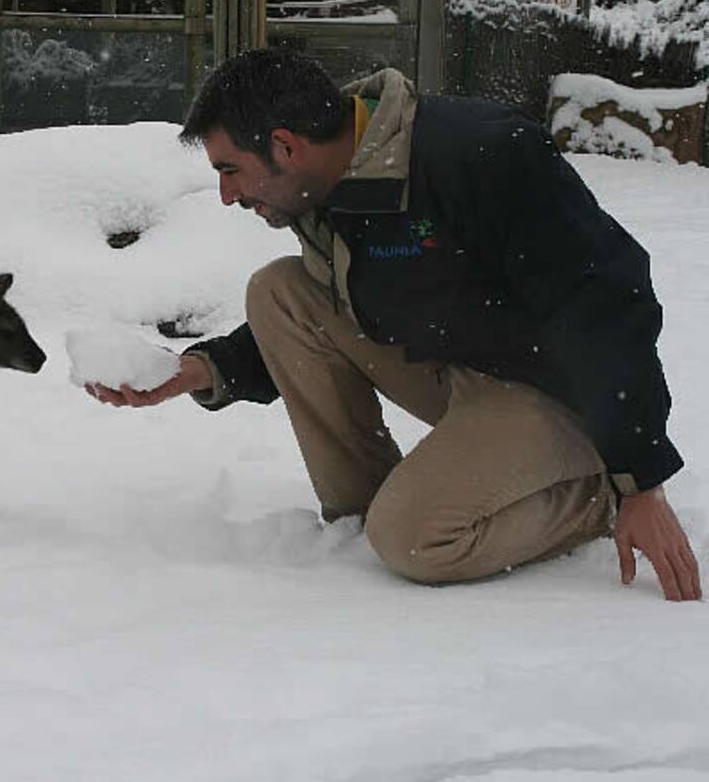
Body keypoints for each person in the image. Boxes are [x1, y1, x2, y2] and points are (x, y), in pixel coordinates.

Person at [88, 47, 702, 602]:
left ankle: (592, 497)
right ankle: (361, 518)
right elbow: (329, 310)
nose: (226, 195)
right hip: (463, 369)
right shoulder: (330, 185)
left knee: (416, 540)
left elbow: (608, 305)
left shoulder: (482, 155)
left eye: (229, 170)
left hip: (561, 394)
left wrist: (639, 477)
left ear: (284, 145)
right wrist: (204, 368)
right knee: (278, 291)